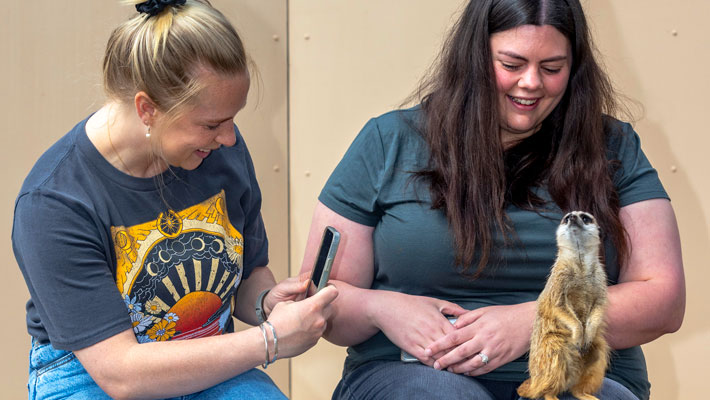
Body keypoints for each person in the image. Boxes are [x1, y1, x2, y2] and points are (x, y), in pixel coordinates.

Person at [298, 0, 685, 399]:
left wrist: (537, 322)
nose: (532, 82)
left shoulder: (612, 147)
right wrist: (379, 307)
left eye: (552, 68)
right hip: (411, 373)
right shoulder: (387, 142)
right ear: (474, 58)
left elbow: (663, 298)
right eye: (512, 65)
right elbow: (317, 300)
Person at [12, 1, 338, 399]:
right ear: (148, 109)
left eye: (233, 118)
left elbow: (248, 274)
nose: (230, 138)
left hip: (209, 356)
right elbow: (121, 376)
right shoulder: (53, 202)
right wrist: (270, 341)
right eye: (212, 124)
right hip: (92, 375)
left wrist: (268, 304)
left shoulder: (221, 153)